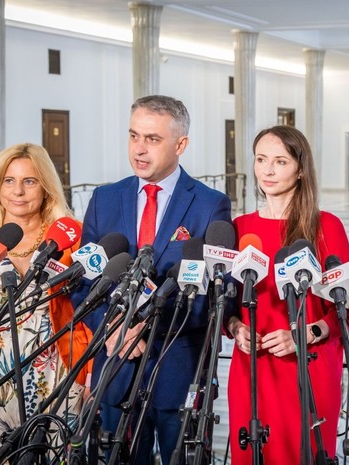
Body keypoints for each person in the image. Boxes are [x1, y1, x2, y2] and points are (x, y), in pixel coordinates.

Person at [76, 95, 232, 465]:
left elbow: (212, 296)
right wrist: (112, 329)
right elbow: (85, 283)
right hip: (115, 365)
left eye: (153, 139)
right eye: (133, 136)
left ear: (180, 144)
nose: (139, 149)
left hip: (176, 370)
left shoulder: (210, 204)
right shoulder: (104, 199)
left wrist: (144, 329)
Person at [225, 125, 349, 465]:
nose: (267, 170)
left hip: (308, 370)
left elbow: (346, 311)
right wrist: (236, 328)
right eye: (261, 159)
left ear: (300, 169)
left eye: (280, 161)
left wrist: (304, 335)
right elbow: (228, 305)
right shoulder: (240, 228)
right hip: (252, 369)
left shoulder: (326, 227)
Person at [0, 143, 92, 454]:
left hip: (59, 375)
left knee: (57, 456)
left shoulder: (71, 238)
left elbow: (89, 308)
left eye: (29, 181)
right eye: (8, 181)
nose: (18, 191)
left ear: (46, 187)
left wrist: (92, 368)